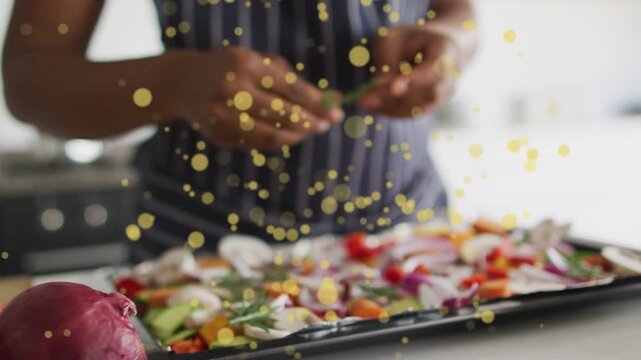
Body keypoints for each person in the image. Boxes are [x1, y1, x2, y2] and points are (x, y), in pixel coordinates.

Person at [3, 0, 478, 260]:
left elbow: (460, 13)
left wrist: (451, 45)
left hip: (407, 246)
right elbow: (28, 78)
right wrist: (173, 85)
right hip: (197, 262)